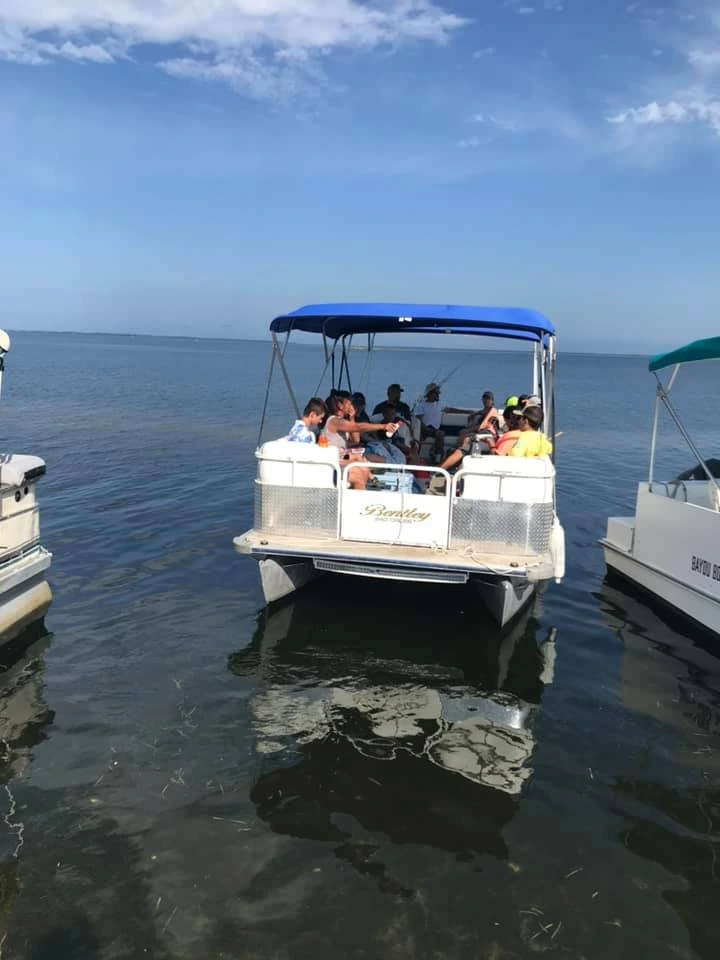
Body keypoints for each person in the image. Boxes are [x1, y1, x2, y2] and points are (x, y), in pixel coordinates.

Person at [321, 393, 398, 489]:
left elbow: (356, 439)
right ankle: (372, 480)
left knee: (362, 465)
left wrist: (352, 417)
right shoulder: (334, 421)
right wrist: (383, 426)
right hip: (333, 460)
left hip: (341, 457)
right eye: (349, 404)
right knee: (358, 471)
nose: (351, 407)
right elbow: (357, 427)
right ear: (340, 405)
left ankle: (371, 480)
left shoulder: (343, 421)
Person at [414, 382, 445, 457]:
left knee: (440, 434)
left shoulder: (439, 405)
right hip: (424, 429)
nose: (438, 395)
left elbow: (450, 409)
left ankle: (436, 454)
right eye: (436, 393)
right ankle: (416, 456)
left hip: (434, 429)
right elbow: (418, 420)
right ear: (430, 394)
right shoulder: (421, 405)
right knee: (417, 438)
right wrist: (425, 429)